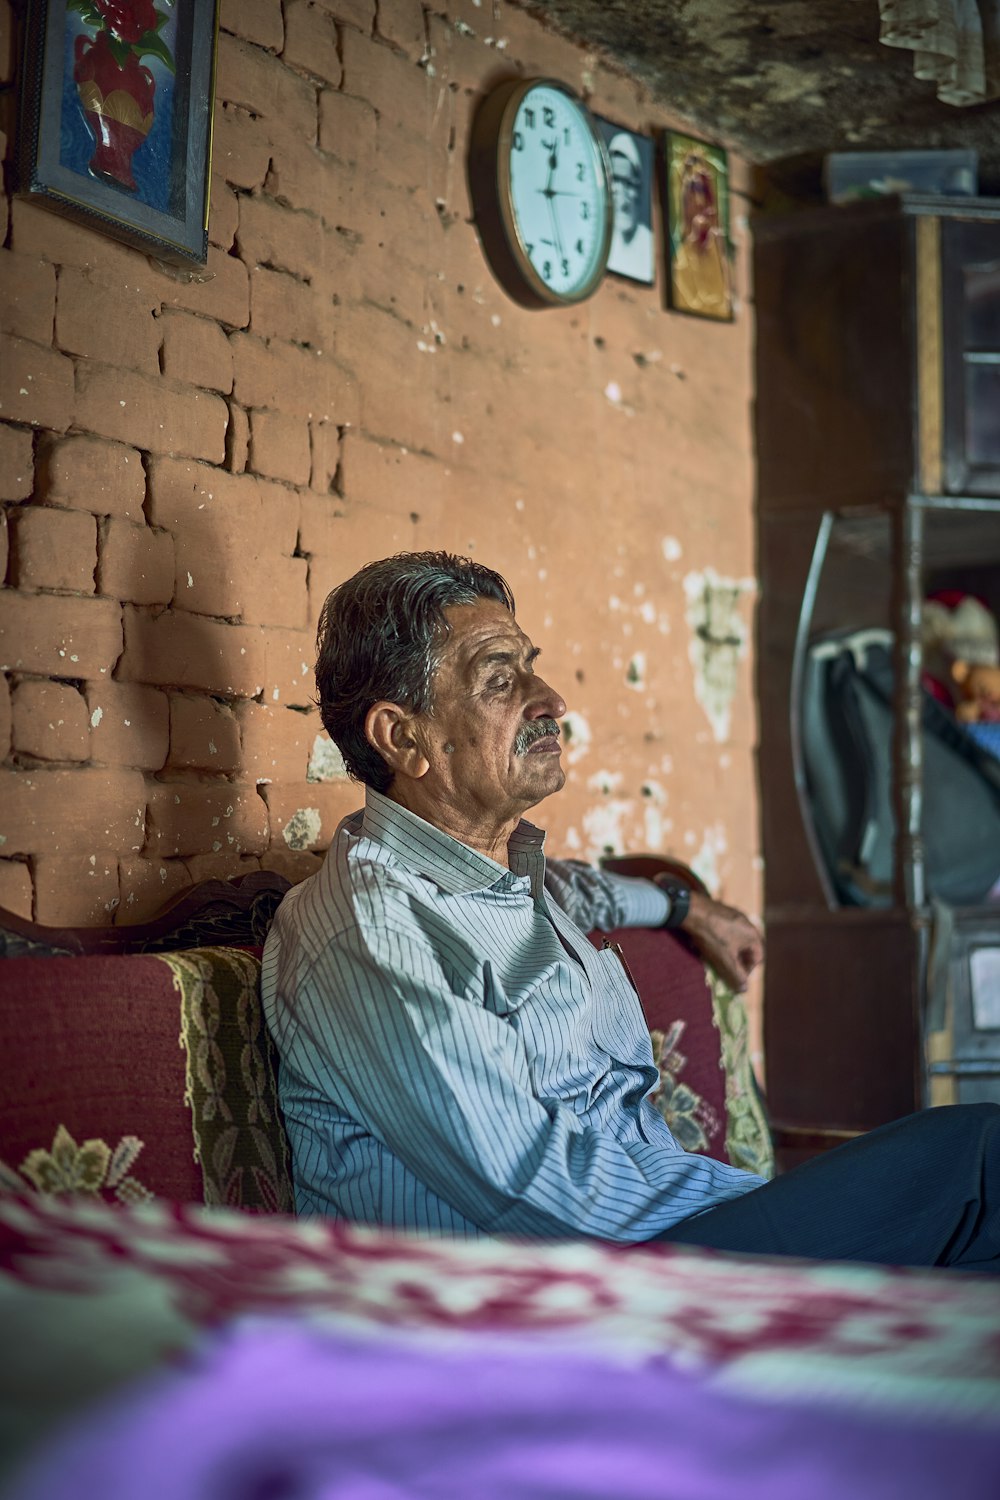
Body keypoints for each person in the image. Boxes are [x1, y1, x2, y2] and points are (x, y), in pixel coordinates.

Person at [262, 552, 1000, 1270]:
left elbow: (583, 889)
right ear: (402, 737)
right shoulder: (373, 930)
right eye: (499, 680)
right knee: (976, 1159)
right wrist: (781, 1198)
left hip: (652, 1247)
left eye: (531, 665)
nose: (550, 699)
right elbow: (535, 1184)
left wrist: (683, 905)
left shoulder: (507, 873)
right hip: (545, 1301)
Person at [606, 132, 655, 284]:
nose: (622, 195)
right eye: (616, 182)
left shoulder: (647, 242)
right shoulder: (604, 244)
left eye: (629, 184)